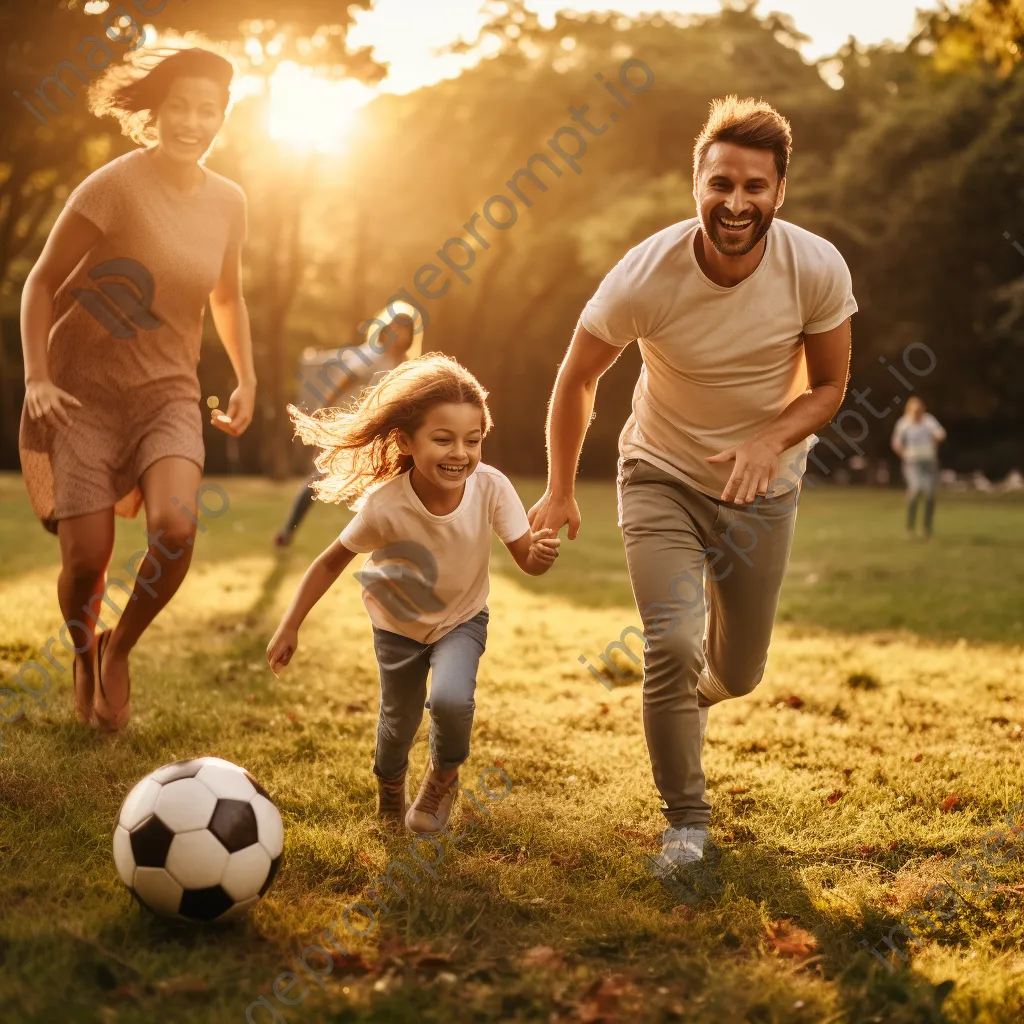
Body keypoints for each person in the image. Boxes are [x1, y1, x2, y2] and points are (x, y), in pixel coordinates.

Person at [528, 96, 857, 871]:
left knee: (737, 673)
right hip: (660, 474)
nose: (735, 203)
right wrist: (561, 488)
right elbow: (577, 379)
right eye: (720, 184)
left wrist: (768, 439)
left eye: (753, 186)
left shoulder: (814, 267)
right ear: (696, 186)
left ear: (780, 190)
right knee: (672, 644)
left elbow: (832, 385)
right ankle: (686, 823)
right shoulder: (646, 273)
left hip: (762, 489)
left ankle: (688, 701)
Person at [18, 45, 255, 731]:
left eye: (205, 110)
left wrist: (246, 376)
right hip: (80, 395)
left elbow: (230, 297)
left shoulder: (229, 201)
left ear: (221, 118)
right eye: (178, 106)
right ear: (155, 112)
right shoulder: (112, 186)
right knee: (87, 562)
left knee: (176, 526)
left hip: (167, 394)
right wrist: (35, 376)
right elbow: (38, 283)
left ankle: (120, 649)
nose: (190, 121)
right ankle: (84, 648)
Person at [266, 354, 559, 834]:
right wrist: (290, 624)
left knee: (450, 700)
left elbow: (526, 558)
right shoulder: (386, 505)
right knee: (397, 725)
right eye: (442, 439)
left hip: (462, 619)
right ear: (406, 440)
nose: (459, 452)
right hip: (397, 627)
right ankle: (390, 786)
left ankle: (442, 778)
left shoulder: (491, 488)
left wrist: (539, 554)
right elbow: (329, 561)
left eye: (473, 439)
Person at [272, 307, 422, 547]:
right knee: (319, 478)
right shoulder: (370, 356)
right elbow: (339, 386)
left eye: (404, 331)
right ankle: (288, 532)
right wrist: (321, 419)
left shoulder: (408, 365)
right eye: (395, 329)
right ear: (386, 330)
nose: (399, 335)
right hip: (357, 430)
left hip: (388, 436)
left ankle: (396, 540)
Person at [890, 396, 946, 538]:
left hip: (929, 462)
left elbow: (940, 434)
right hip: (913, 463)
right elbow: (896, 443)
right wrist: (905, 455)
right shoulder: (904, 424)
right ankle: (910, 528)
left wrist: (937, 438)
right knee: (915, 491)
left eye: (919, 410)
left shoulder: (928, 421)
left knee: (929, 495)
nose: (917, 413)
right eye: (914, 410)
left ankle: (927, 529)